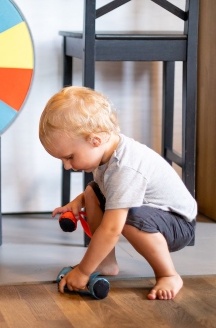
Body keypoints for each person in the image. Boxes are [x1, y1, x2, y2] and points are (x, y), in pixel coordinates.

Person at [39, 86, 197, 300]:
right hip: (153, 213)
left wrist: (84, 272)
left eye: (69, 157)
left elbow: (112, 228)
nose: (67, 166)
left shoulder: (125, 167)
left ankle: (168, 274)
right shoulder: (105, 153)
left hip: (178, 224)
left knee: (127, 216)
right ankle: (106, 263)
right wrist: (80, 200)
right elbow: (103, 188)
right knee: (91, 192)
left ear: (94, 140)